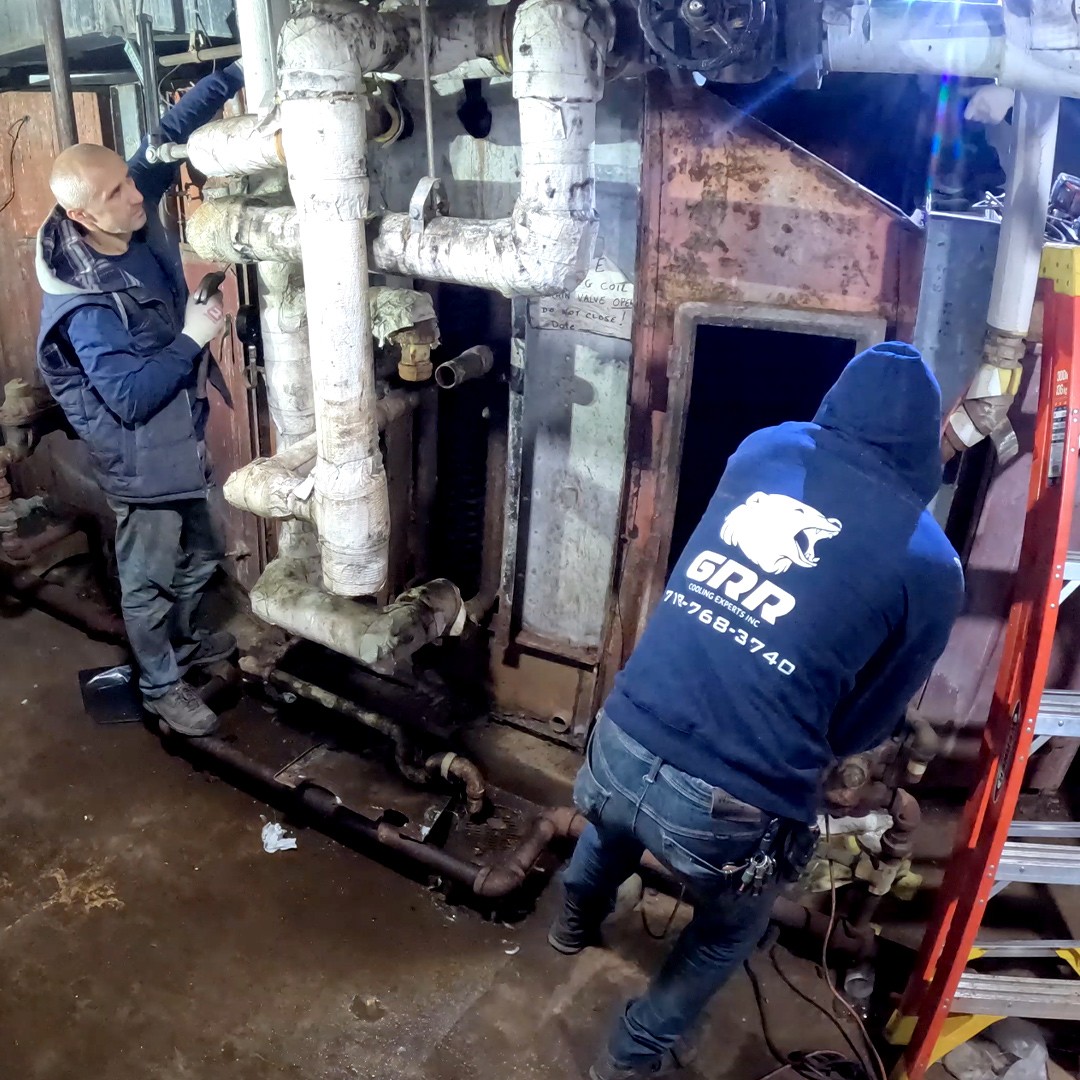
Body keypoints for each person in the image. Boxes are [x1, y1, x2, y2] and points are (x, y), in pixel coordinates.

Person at [549, 342, 965, 1080]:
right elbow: (867, 724)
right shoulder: (931, 565)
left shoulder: (763, 449)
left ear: (838, 401)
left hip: (621, 731)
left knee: (614, 821)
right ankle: (631, 1055)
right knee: (727, 929)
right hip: (727, 804)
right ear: (924, 441)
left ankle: (572, 924)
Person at [36, 63, 247, 737]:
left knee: (203, 553)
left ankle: (183, 651)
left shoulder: (113, 206)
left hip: (175, 437)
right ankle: (160, 686)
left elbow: (165, 136)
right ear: (79, 214)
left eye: (130, 182)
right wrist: (191, 338)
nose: (136, 196)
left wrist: (235, 73)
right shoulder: (85, 305)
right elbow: (129, 398)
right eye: (117, 191)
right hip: (139, 454)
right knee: (151, 579)